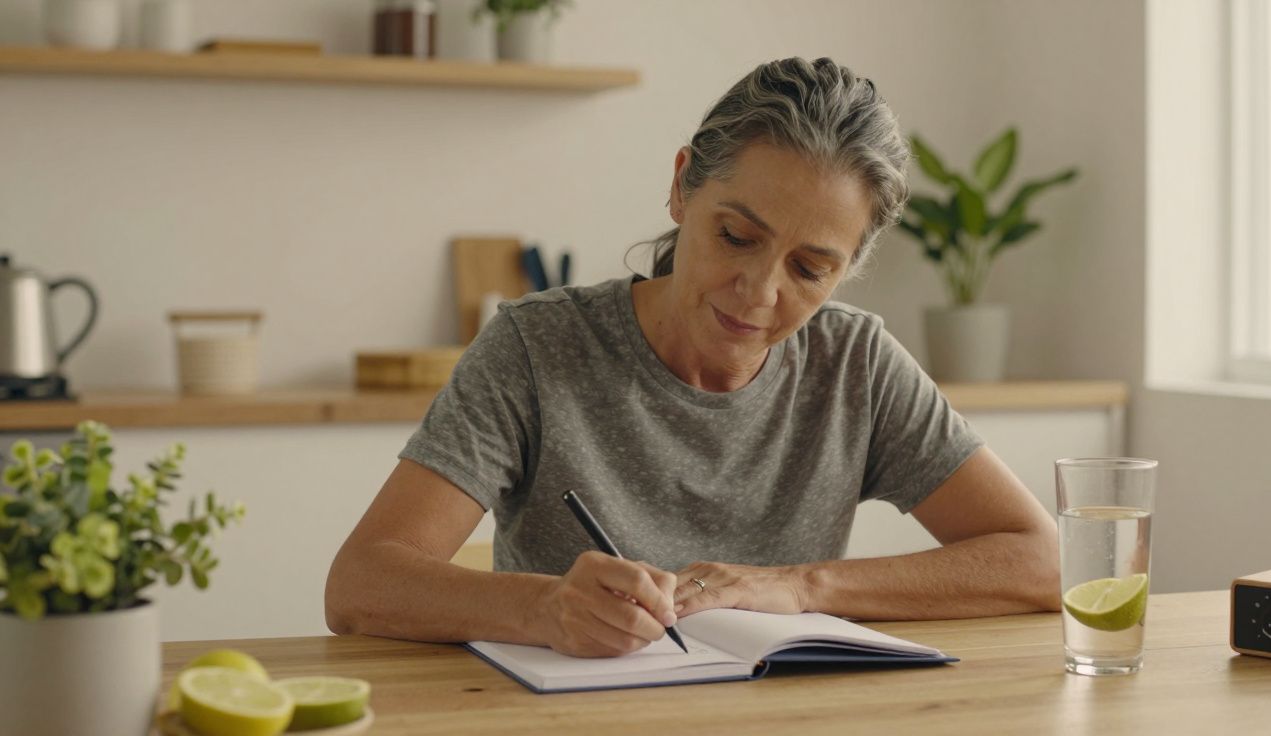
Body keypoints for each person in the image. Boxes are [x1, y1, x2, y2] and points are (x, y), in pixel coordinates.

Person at [325, 57, 1059, 658]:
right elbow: (360, 583)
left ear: (846, 272)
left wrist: (804, 587)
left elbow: (1046, 560)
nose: (759, 293)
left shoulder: (856, 363)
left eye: (808, 270)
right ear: (681, 187)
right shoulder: (536, 347)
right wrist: (545, 607)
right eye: (737, 237)